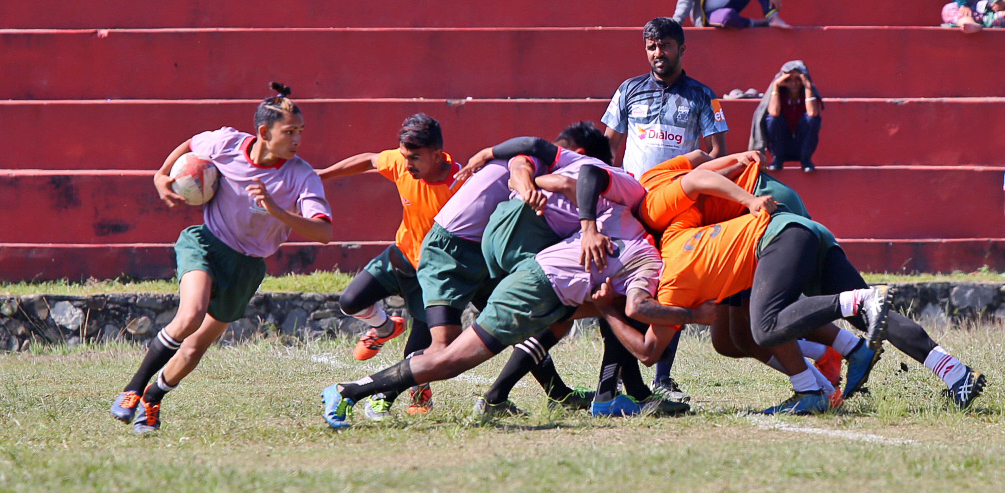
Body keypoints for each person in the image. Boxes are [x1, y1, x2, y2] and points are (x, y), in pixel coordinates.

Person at [618, 153, 986, 413]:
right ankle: (955, 372)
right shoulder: (652, 185)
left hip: (769, 218)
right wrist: (738, 161)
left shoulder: (650, 209)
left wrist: (747, 200)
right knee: (859, 317)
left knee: (762, 326)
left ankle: (818, 380)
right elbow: (699, 158)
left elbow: (697, 177)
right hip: (783, 215)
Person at [322, 192, 696, 428]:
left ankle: (508, 398)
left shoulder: (619, 215)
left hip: (543, 284)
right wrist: (697, 314)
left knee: (564, 321)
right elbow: (645, 343)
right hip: (537, 287)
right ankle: (349, 391)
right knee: (449, 359)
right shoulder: (650, 259)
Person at [109, 83, 333, 433]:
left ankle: (153, 398)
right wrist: (161, 174)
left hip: (246, 267)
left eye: (300, 132)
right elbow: (192, 144)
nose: (297, 140)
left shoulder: (301, 175)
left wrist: (277, 211)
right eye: (289, 132)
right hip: (206, 244)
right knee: (191, 315)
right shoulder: (226, 143)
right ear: (263, 132)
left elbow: (323, 233)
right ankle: (133, 389)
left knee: (195, 348)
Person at [601, 16, 729, 403]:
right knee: (629, 287)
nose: (659, 53)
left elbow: (719, 152)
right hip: (633, 205)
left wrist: (687, 184)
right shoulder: (627, 90)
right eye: (652, 47)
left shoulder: (706, 95)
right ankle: (617, 380)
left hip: (676, 208)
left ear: (682, 48)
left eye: (666, 46)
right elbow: (608, 144)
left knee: (670, 288)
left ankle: (662, 376)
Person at [316, 114, 464, 420]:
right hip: (400, 258)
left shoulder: (461, 185)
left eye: (414, 158)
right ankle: (385, 327)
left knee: (417, 353)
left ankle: (396, 394)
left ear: (437, 156)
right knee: (349, 302)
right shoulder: (401, 161)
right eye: (404, 156)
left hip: (434, 277)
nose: (406, 164)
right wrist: (323, 175)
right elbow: (370, 160)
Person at [749, 60, 822, 172]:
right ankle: (778, 158)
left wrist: (807, 85)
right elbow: (773, 112)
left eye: (797, 79)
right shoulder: (780, 94)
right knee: (772, 119)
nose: (793, 83)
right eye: (789, 80)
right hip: (782, 142)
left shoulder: (808, 93)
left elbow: (812, 113)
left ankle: (805, 159)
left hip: (801, 143)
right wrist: (776, 86)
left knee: (812, 119)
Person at [702, 0, 792, 29]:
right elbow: (687, 2)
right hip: (709, 14)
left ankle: (773, 17)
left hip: (729, 5)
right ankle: (754, 23)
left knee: (728, 14)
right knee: (727, 16)